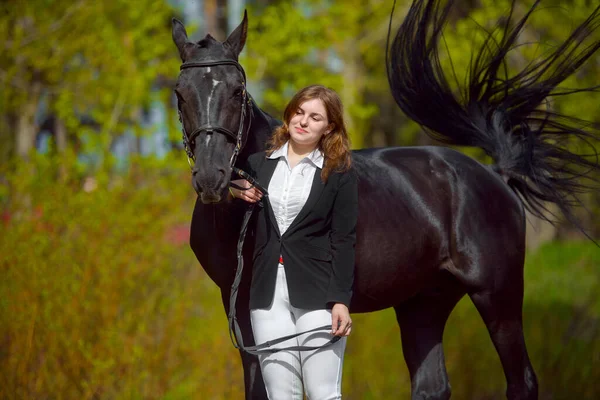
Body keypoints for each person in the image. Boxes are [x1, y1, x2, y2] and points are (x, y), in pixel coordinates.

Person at [230, 84, 358, 400]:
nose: (303, 121)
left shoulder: (339, 171)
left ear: (329, 127)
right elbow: (212, 180)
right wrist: (234, 189)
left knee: (322, 393)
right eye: (299, 112)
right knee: (280, 395)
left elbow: (344, 239)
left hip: (319, 294)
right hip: (266, 295)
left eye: (315, 117)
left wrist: (341, 300)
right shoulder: (259, 164)